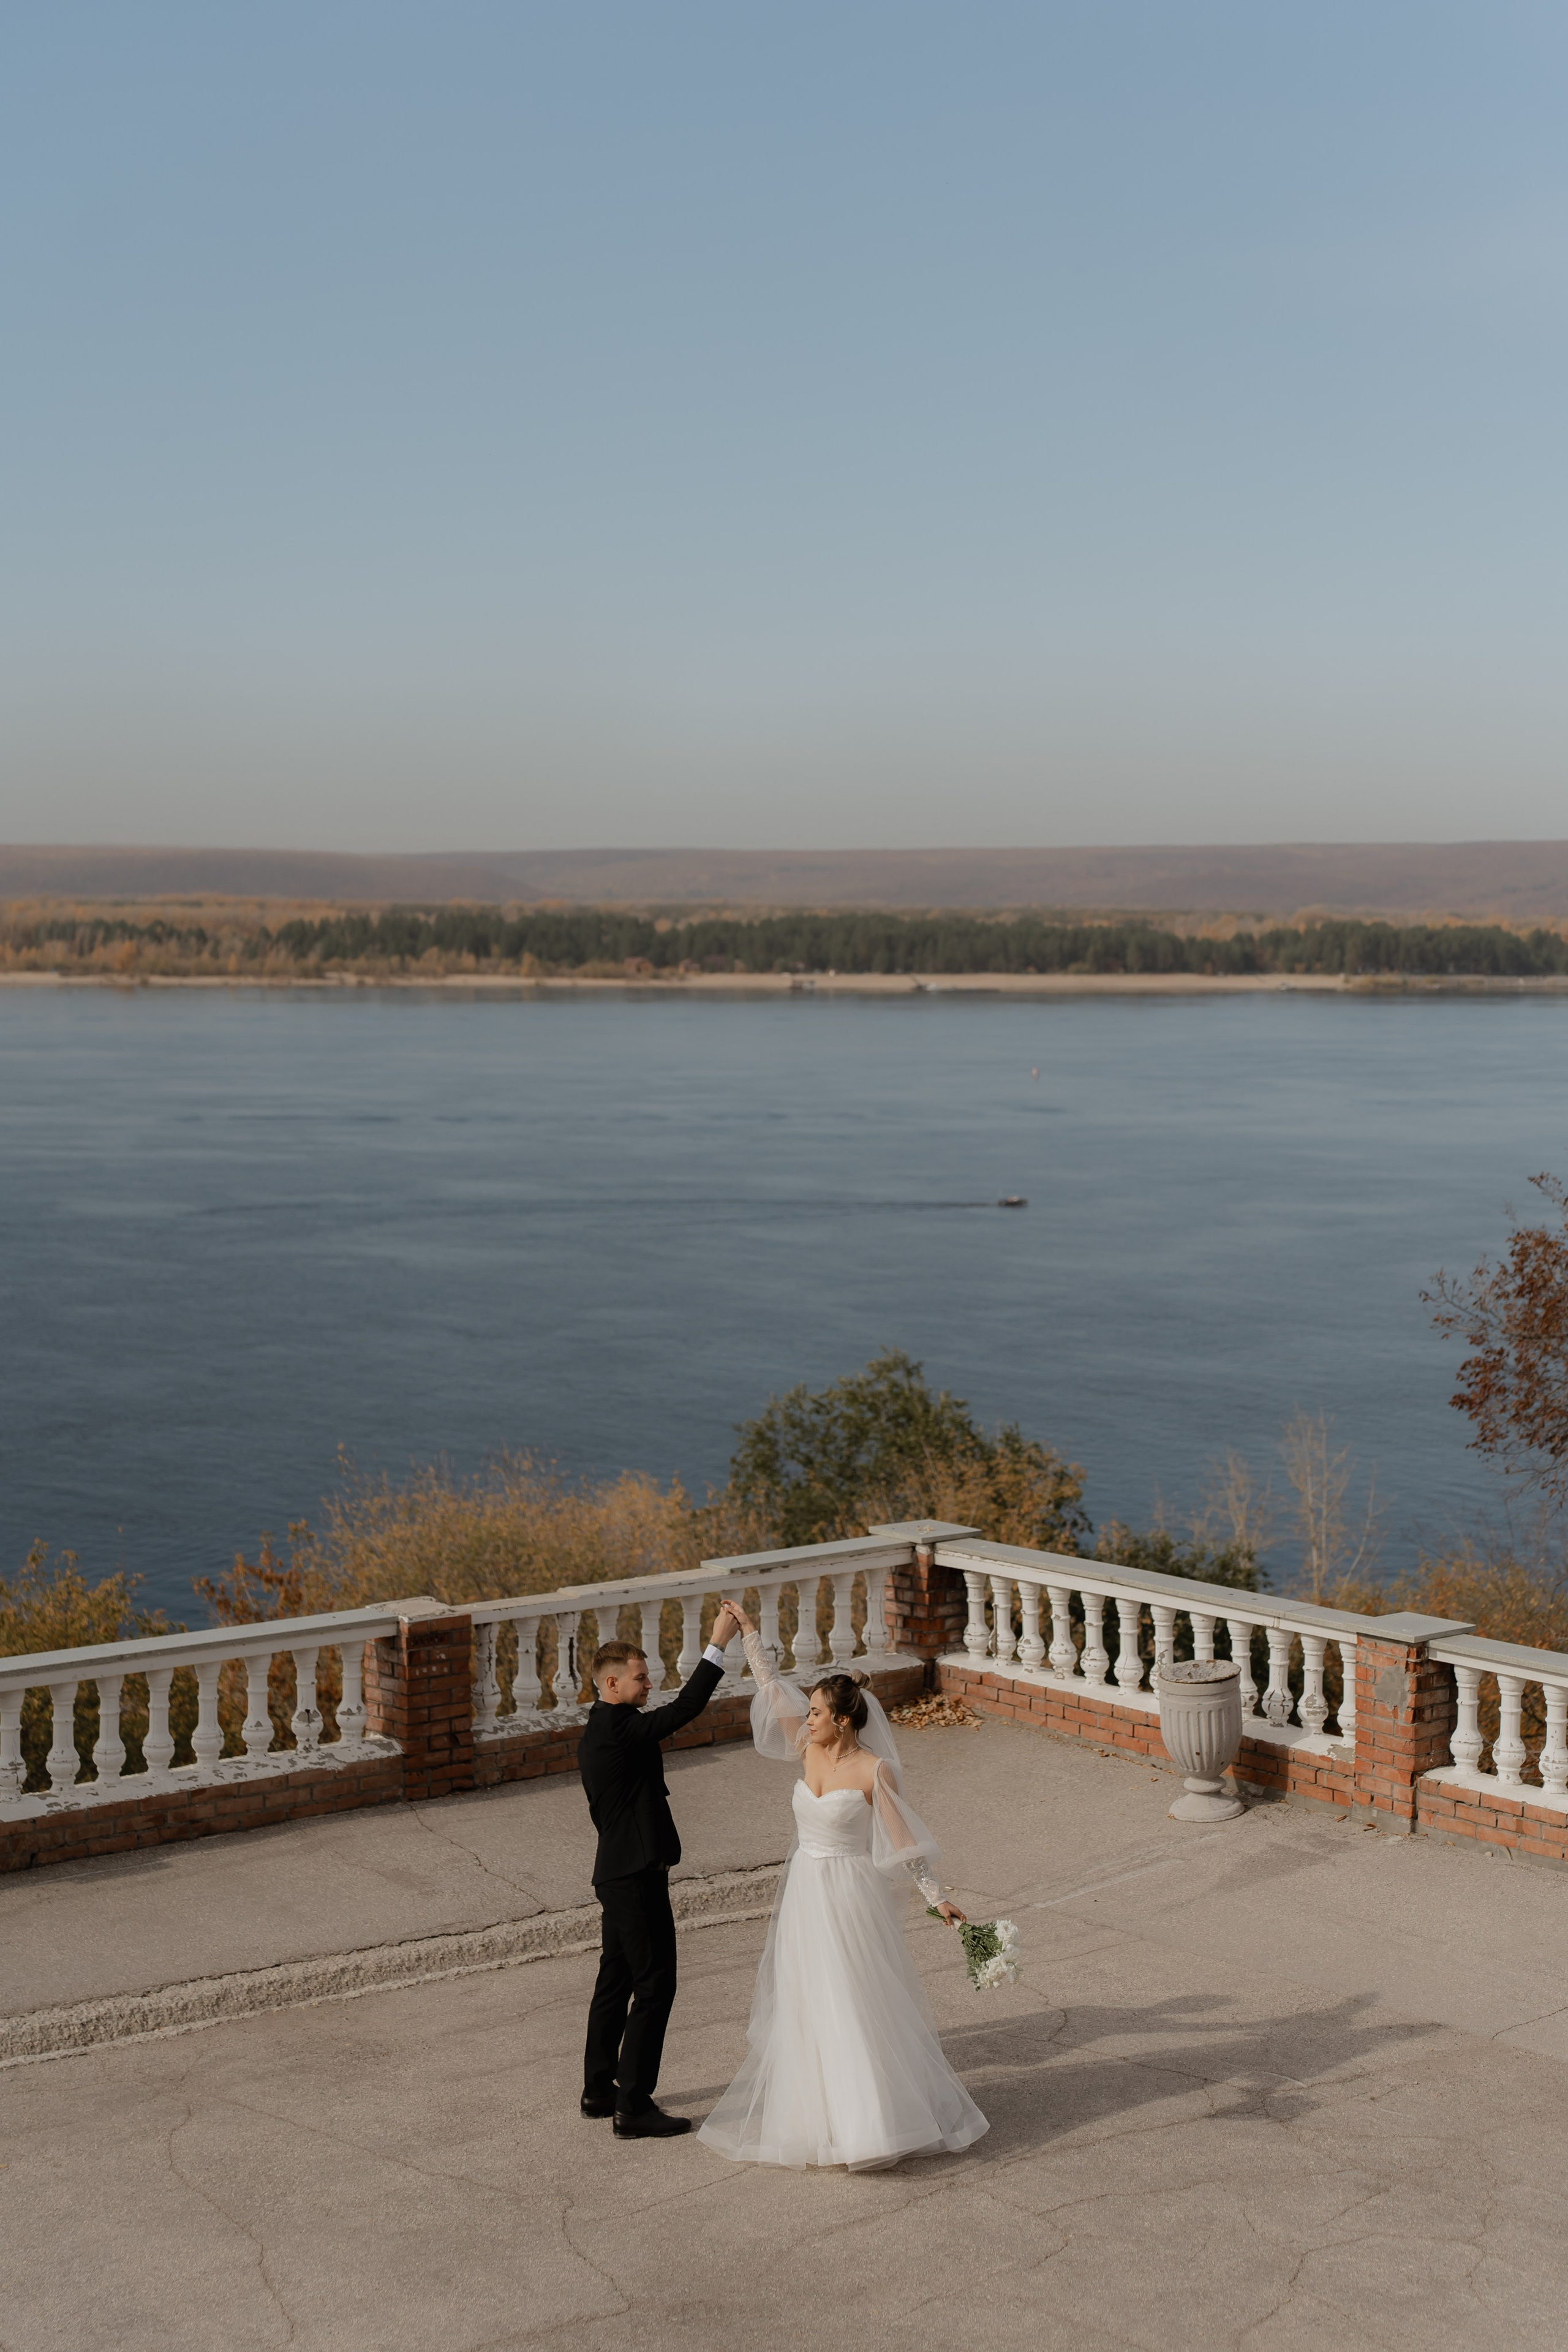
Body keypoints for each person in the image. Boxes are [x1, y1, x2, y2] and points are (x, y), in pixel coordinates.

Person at [698, 1607, 989, 2171]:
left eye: (816, 1713)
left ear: (844, 1721)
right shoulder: (806, 1746)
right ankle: (817, 2121)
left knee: (851, 1999)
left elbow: (901, 1839)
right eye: (807, 1712)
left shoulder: (874, 1771)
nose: (806, 1720)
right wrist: (751, 1636)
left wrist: (937, 1898)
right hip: (806, 1888)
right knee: (808, 2000)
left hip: (850, 1895)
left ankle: (870, 2124)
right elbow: (771, 1689)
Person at [578, 1600, 742, 2139]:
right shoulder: (621, 1730)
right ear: (611, 1684)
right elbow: (686, 1709)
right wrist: (718, 1643)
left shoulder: (604, 1726)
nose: (651, 1684)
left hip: (616, 1873)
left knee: (616, 1978)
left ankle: (599, 2091)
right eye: (641, 1678)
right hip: (635, 1876)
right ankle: (634, 2106)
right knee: (655, 1986)